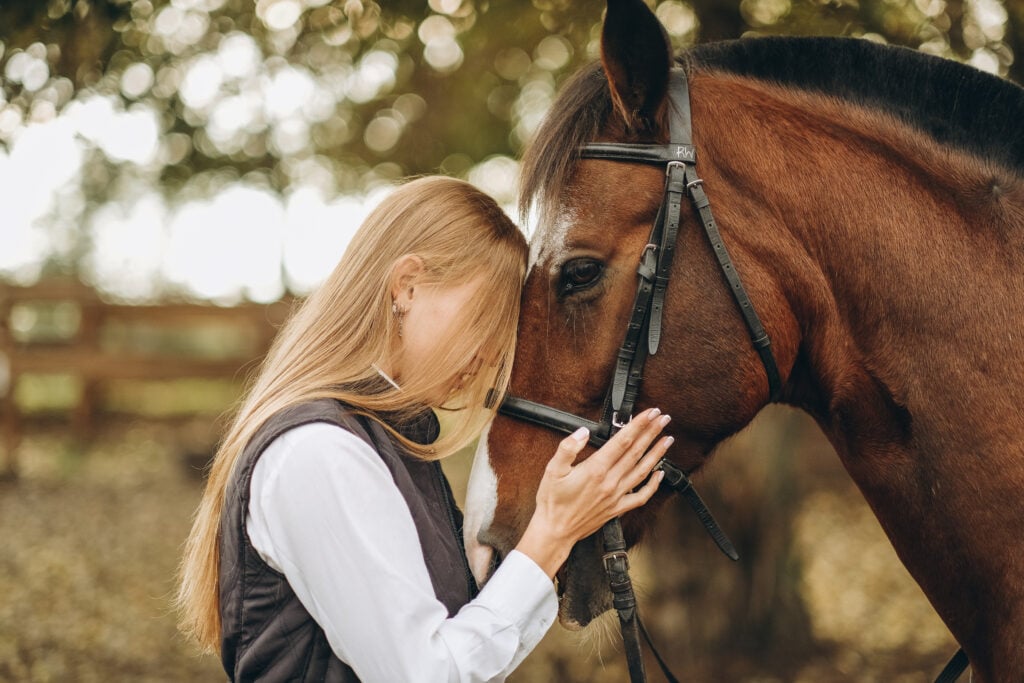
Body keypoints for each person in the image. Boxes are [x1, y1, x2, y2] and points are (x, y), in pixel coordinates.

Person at [176, 175, 671, 682]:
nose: (493, 355)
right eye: (485, 319)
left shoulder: (389, 444)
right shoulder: (319, 453)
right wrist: (550, 535)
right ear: (407, 287)